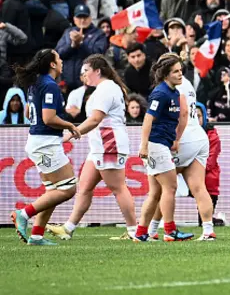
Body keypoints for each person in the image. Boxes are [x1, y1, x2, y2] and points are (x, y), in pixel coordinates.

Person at [46, 55, 137, 241]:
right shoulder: (105, 88)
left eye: (85, 71)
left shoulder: (106, 89)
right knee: (85, 187)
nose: (83, 75)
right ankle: (68, 228)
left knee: (118, 188)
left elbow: (95, 119)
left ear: (98, 71)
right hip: (100, 145)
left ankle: (135, 231)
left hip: (108, 143)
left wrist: (72, 133)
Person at [11, 49, 81, 246]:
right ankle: (23, 214)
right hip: (45, 144)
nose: (61, 61)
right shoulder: (50, 85)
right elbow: (49, 118)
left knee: (53, 191)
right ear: (52, 64)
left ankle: (36, 236)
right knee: (68, 189)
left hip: (39, 141)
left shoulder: (36, 83)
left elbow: (28, 112)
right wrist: (69, 125)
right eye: (58, 58)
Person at [133, 54, 193, 242]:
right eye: (175, 71)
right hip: (156, 145)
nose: (180, 74)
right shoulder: (161, 93)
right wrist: (144, 145)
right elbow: (148, 119)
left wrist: (173, 139)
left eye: (180, 70)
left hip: (161, 144)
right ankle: (170, 230)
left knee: (156, 192)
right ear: (166, 74)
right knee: (171, 186)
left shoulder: (174, 92)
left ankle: (141, 233)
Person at [148, 77, 216, 241]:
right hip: (199, 136)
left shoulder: (171, 84)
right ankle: (208, 230)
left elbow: (183, 111)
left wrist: (176, 138)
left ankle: (150, 230)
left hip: (181, 138)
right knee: (199, 187)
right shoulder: (187, 82)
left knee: (161, 187)